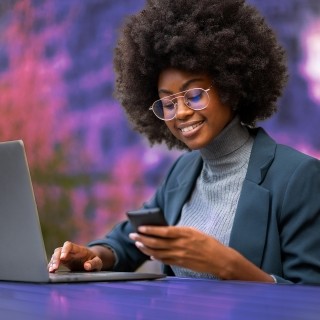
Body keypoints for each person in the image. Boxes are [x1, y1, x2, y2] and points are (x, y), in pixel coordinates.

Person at [48, 0, 320, 284]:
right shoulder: (183, 173)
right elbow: (130, 239)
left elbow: (311, 298)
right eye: (167, 102)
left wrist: (226, 264)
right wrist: (95, 255)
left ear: (231, 86)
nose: (181, 113)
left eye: (194, 95)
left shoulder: (298, 177)